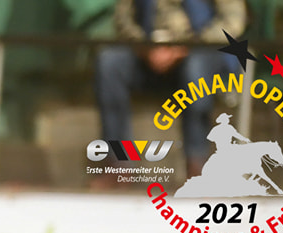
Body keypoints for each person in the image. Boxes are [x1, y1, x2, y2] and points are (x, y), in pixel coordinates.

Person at [96, 0, 246, 178]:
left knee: (196, 71)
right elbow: (122, 19)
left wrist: (187, 46)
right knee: (109, 62)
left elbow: (233, 22)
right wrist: (144, 47)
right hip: (146, 53)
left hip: (201, 52)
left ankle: (198, 168)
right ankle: (119, 164)